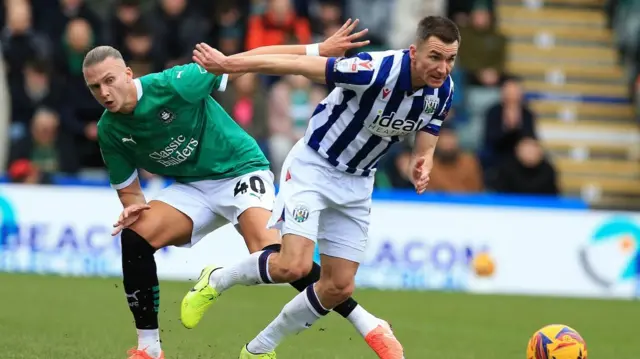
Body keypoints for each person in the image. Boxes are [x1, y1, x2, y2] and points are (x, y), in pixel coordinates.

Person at [82, 20, 388, 359]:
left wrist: (317, 50)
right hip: (191, 187)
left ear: (127, 73)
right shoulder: (109, 130)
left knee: (284, 262)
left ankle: (366, 321)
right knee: (135, 237)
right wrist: (132, 208)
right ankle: (148, 349)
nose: (105, 93)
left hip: (240, 169)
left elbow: (244, 60)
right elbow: (132, 196)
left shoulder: (176, 84)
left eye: (109, 81)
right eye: (95, 87)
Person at [183, 15, 458, 359]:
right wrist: (229, 64)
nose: (443, 68)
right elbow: (296, 65)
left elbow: (430, 128)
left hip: (358, 184)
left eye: (450, 59)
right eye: (435, 57)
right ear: (414, 51)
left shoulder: (442, 90)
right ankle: (218, 279)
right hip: (314, 167)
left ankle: (259, 348)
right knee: (292, 266)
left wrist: (424, 160)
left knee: (338, 286)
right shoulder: (372, 69)